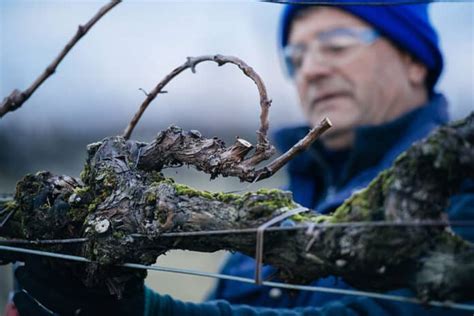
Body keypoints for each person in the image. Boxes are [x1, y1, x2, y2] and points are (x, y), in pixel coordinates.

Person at [2, 2, 473, 316]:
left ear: (416, 59)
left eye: (336, 44)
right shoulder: (273, 205)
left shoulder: (461, 189)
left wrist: (141, 311)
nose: (311, 68)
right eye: (296, 55)